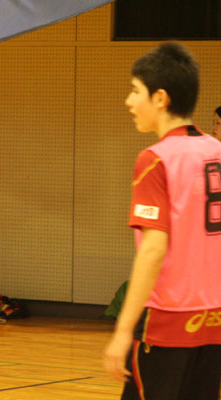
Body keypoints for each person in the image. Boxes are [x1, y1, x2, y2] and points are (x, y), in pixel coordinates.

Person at [103, 42, 221, 399]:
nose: (128, 101)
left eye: (135, 90)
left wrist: (123, 331)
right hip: (215, 322)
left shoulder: (155, 159)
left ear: (160, 98)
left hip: (168, 322)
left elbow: (153, 250)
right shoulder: (217, 151)